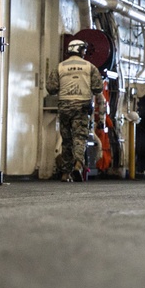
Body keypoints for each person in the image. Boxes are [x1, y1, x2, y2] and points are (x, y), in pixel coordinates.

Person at [46, 40, 104, 182]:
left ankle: (66, 173)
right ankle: (78, 165)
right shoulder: (89, 67)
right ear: (80, 50)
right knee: (80, 137)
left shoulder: (60, 67)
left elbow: (51, 88)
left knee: (66, 139)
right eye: (84, 50)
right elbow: (98, 88)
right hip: (82, 106)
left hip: (64, 106)